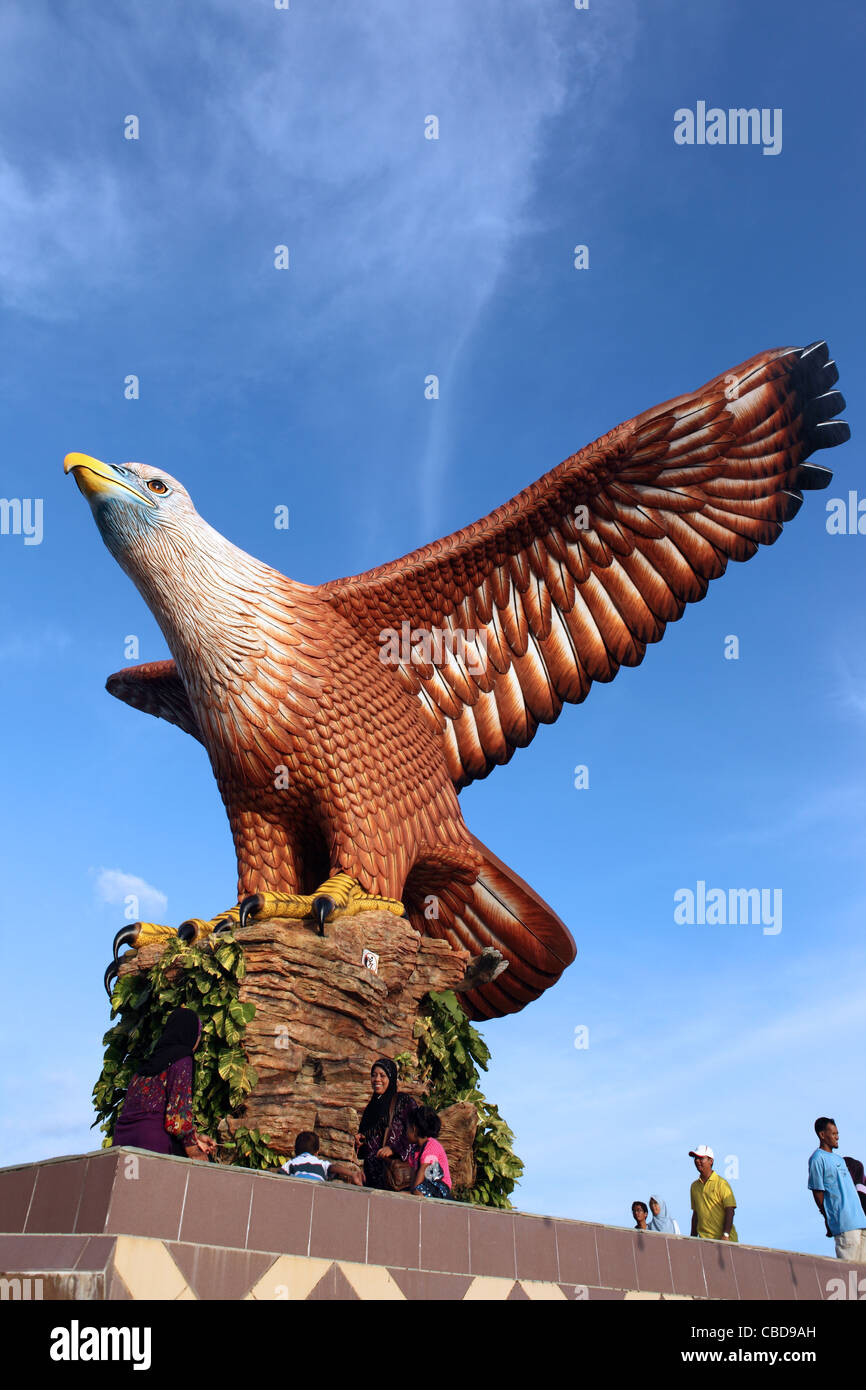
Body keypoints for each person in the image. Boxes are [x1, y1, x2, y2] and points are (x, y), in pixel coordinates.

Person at [112, 1007, 216, 1160]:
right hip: (153, 1145)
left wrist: (196, 1138)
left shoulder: (146, 1065)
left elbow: (149, 1111)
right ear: (191, 1034)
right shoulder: (182, 1060)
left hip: (122, 1143)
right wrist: (194, 1150)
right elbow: (178, 1117)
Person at [808, 1118, 866, 1262]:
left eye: (837, 1133)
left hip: (861, 1222)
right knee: (850, 1275)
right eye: (833, 1133)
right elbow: (817, 1191)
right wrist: (827, 1218)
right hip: (844, 1224)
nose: (837, 1137)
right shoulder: (817, 1158)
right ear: (822, 1135)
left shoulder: (839, 1159)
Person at [355, 1057, 417, 1189]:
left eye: (382, 1075)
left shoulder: (403, 1102)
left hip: (395, 1175)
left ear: (391, 1078)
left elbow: (416, 1132)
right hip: (372, 1177)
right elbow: (367, 1145)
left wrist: (394, 1149)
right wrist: (360, 1140)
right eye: (373, 1075)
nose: (377, 1079)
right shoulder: (370, 1108)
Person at [688, 1145, 738, 1242]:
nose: (697, 1160)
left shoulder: (721, 1183)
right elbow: (696, 1214)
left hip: (724, 1241)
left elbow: (730, 1210)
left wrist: (726, 1235)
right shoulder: (694, 1186)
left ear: (711, 1161)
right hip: (704, 1241)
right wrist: (692, 1238)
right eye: (695, 1158)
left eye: (701, 1158)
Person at [281, 1130, 364, 1185]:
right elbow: (333, 1167)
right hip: (317, 1193)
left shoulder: (291, 1163)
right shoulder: (320, 1164)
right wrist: (352, 1174)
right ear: (317, 1152)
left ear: (295, 1151)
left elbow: (279, 1175)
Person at [407, 1106, 452, 1199]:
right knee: (406, 1193)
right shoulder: (414, 1151)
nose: (405, 1132)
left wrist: (414, 1192)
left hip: (439, 1186)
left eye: (407, 1128)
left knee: (417, 1191)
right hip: (424, 1186)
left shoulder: (431, 1145)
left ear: (414, 1129)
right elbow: (413, 1176)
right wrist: (411, 1192)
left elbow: (423, 1169)